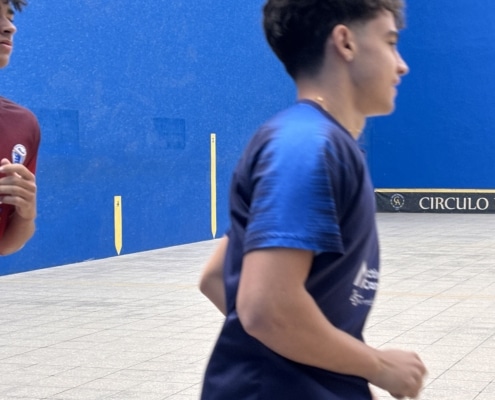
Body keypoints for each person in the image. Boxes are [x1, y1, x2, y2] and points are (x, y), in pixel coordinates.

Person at [199, 0, 427, 399]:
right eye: (390, 43)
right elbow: (265, 308)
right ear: (345, 42)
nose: (401, 65)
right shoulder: (309, 148)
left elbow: (217, 276)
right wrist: (379, 365)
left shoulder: (311, 142)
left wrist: (317, 362)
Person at [0, 0, 39, 256]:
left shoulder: (23, 125)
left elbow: (5, 245)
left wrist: (26, 213)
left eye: (10, 17)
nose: (9, 27)